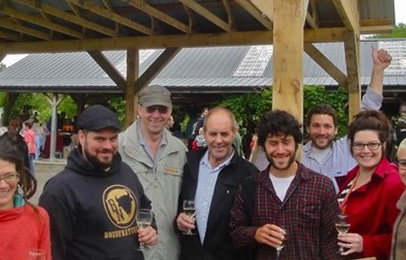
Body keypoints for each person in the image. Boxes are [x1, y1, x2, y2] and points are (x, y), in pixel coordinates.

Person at [39, 105, 158, 260]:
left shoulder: (125, 171)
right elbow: (52, 252)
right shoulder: (60, 190)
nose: (107, 146)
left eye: (113, 138)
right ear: (81, 138)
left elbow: (144, 208)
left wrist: (150, 229)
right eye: (100, 139)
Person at [230, 110, 341, 260]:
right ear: (263, 146)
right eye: (273, 143)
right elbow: (235, 233)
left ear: (296, 143)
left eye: (286, 142)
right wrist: (255, 234)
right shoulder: (250, 186)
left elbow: (331, 244)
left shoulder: (322, 186)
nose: (280, 150)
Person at [299, 45, 393, 191]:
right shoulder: (297, 155)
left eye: (327, 126)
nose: (322, 131)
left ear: (336, 130)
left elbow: (370, 106)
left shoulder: (347, 149)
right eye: (316, 125)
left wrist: (378, 69)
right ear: (307, 128)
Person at [176, 107, 258, 260]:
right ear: (204, 133)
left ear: (234, 132)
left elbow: (252, 227)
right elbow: (178, 204)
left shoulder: (249, 174)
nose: (218, 140)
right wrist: (179, 220)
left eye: (225, 134)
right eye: (213, 134)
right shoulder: (189, 164)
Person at [118, 85, 187, 260]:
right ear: (140, 110)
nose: (156, 115)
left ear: (169, 111)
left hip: (169, 251)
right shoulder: (118, 147)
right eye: (150, 109)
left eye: (162, 109)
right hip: (128, 250)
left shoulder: (180, 150)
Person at [336, 110, 405, 260]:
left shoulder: (394, 183)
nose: (366, 150)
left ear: (383, 145)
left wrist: (366, 243)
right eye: (359, 145)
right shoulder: (353, 175)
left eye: (373, 144)